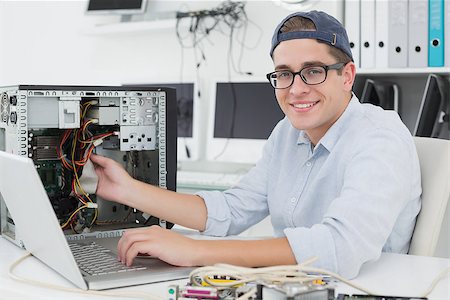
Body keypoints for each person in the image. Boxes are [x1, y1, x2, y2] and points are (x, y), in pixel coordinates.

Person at [90, 10, 421, 279]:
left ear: (347, 75)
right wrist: (125, 190)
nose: (296, 89)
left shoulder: (380, 137)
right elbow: (232, 210)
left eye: (313, 71)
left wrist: (195, 251)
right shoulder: (287, 134)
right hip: (293, 283)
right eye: (284, 74)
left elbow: (338, 247)